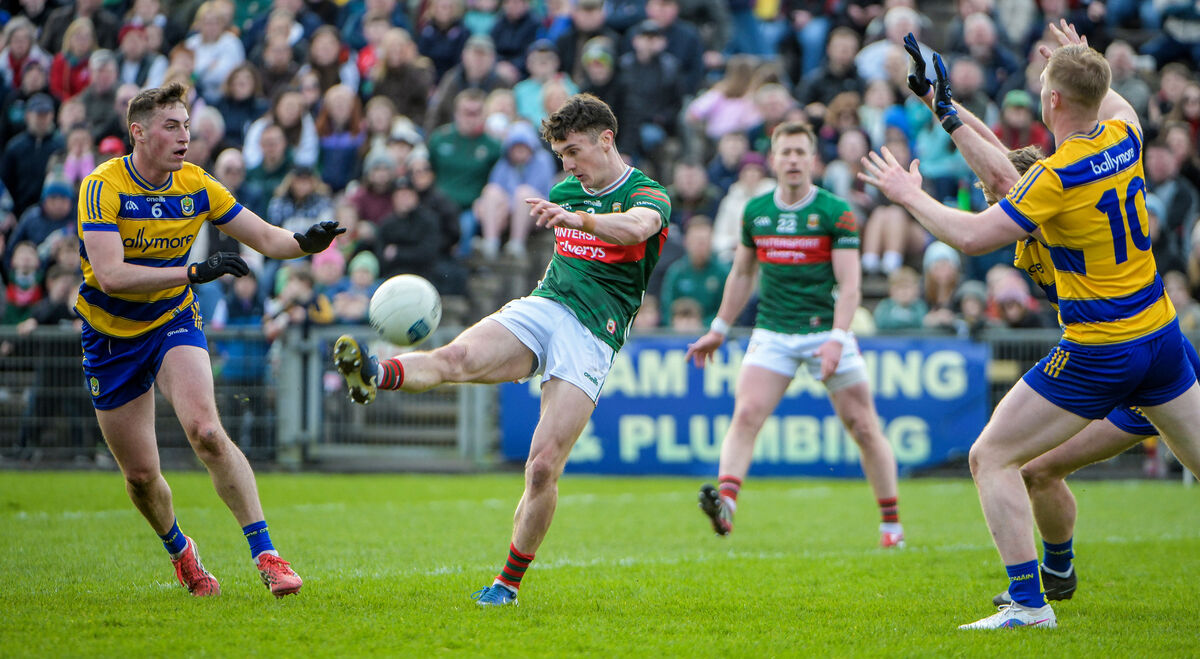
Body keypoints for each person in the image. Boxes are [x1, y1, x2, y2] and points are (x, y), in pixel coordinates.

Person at [863, 23, 1200, 629]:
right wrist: (944, 104)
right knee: (1043, 467)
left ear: (1052, 101)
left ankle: (1027, 602)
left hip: (1103, 349)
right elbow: (1026, 154)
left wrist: (907, 193)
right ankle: (1056, 574)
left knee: (991, 456)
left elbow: (975, 230)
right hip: (1161, 337)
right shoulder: (1124, 131)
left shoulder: (1053, 181)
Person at [332, 93, 671, 606]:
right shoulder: (566, 190)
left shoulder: (647, 193)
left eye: (574, 152)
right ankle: (374, 372)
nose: (568, 166)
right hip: (547, 304)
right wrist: (572, 217)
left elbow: (638, 228)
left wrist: (580, 220)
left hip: (593, 334)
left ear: (606, 140)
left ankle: (507, 584)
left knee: (542, 468)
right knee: (456, 358)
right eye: (560, 155)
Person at [75, 82, 345, 598]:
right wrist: (193, 272)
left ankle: (267, 555)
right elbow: (110, 275)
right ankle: (182, 552)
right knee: (141, 477)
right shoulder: (102, 186)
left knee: (207, 431)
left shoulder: (197, 183)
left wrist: (305, 243)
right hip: (109, 337)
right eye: (171, 126)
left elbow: (265, 237)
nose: (184, 136)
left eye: (186, 125)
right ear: (138, 133)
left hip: (171, 320)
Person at [684, 120, 905, 548]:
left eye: (800, 152)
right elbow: (742, 274)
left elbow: (851, 285)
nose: (792, 160)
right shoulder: (755, 211)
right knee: (746, 414)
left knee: (863, 425)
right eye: (785, 152)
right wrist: (718, 329)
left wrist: (838, 338)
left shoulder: (835, 211)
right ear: (772, 159)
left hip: (826, 330)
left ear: (813, 159)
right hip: (773, 330)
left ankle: (891, 526)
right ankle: (726, 505)